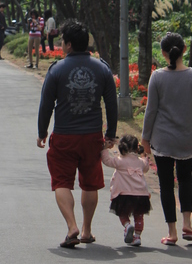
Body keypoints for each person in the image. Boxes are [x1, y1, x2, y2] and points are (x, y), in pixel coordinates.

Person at [37, 19, 118, 248]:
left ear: (69, 44)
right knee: (90, 183)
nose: (61, 44)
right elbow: (111, 104)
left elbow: (46, 104)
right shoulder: (102, 69)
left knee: (61, 182)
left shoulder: (56, 70)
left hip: (64, 136)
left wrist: (42, 131)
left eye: (62, 41)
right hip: (92, 136)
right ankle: (86, 230)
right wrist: (110, 134)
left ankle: (71, 226)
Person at [141, 31, 192, 246]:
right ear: (184, 50)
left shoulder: (157, 77)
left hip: (162, 140)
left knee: (166, 184)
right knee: (185, 179)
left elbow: (151, 111)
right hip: (187, 138)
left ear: (163, 53)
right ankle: (187, 223)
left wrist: (145, 138)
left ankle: (172, 232)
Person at [101, 134, 151, 247]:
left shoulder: (120, 161)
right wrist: (144, 156)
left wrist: (105, 149)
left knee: (122, 212)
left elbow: (107, 161)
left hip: (124, 194)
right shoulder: (140, 162)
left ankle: (127, 225)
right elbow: (146, 168)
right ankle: (137, 236)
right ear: (137, 149)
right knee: (139, 215)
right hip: (141, 194)